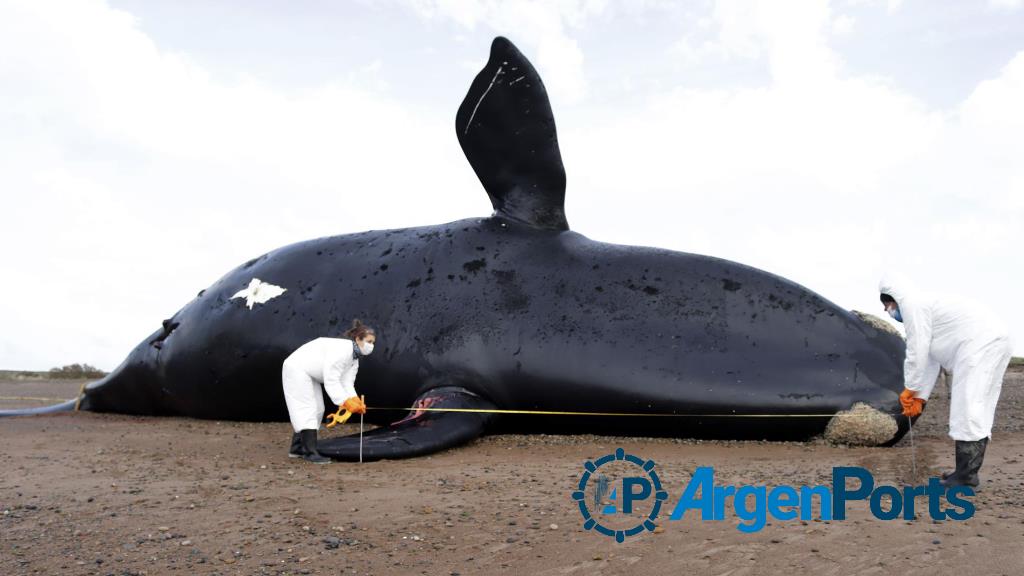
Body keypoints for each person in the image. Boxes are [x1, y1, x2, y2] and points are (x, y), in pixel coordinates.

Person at [879, 274, 1013, 487]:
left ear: (895, 299)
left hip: (978, 345)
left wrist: (910, 389)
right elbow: (931, 360)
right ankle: (965, 472)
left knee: (968, 406)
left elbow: (917, 351)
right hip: (993, 342)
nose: (887, 311)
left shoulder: (913, 306)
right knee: (978, 406)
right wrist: (920, 397)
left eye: (887, 305)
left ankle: (966, 477)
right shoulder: (927, 307)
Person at [281, 319, 375, 464]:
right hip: (296, 369)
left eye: (373, 343)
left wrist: (355, 400)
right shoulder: (342, 351)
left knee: (319, 409)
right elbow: (332, 381)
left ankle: (297, 448)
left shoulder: (353, 359)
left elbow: (347, 382)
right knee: (307, 408)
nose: (371, 346)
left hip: (309, 373)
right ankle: (309, 452)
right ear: (358, 339)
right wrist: (345, 402)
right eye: (369, 342)